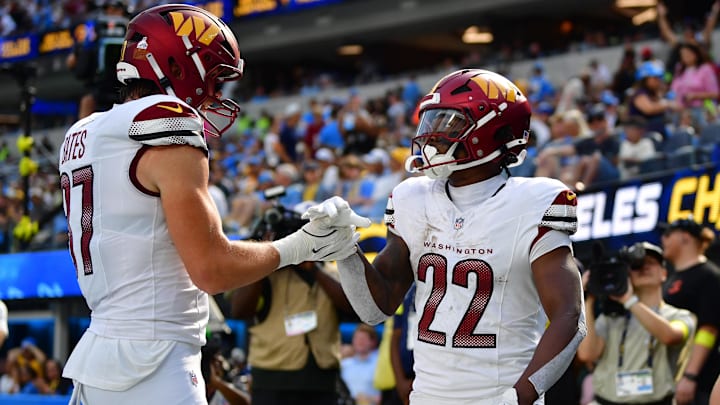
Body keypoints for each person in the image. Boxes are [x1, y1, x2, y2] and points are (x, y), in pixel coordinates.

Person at [58, 4, 369, 404]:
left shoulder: (83, 131)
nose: (217, 94)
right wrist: (301, 245)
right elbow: (213, 269)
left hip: (98, 355)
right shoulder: (166, 122)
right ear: (180, 66)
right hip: (153, 363)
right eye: (215, 77)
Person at [327, 69, 586, 405]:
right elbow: (377, 308)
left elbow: (570, 317)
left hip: (499, 395)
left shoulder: (534, 201)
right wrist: (344, 249)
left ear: (494, 131)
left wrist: (517, 398)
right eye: (431, 122)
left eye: (448, 123)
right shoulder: (412, 198)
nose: (432, 135)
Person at [230, 202, 359, 405]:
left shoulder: (330, 273)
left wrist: (313, 267)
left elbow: (355, 308)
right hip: (272, 379)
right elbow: (239, 310)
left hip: (322, 379)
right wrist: (265, 258)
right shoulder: (269, 276)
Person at [577, 242, 696, 405]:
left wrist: (628, 300)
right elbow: (587, 355)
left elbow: (670, 336)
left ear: (664, 273)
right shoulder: (611, 317)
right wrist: (588, 299)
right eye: (636, 265)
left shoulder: (680, 316)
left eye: (651, 263)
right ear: (627, 275)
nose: (644, 267)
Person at [660, 218, 720, 405]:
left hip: (698, 382)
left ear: (685, 237)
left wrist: (691, 376)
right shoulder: (671, 278)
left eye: (668, 234)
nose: (663, 239)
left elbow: (709, 328)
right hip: (669, 377)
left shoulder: (709, 275)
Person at [341, 323, 381, 405]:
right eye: (357, 338)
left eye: (363, 339)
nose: (360, 342)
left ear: (373, 342)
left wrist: (369, 399)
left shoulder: (379, 362)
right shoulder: (344, 364)